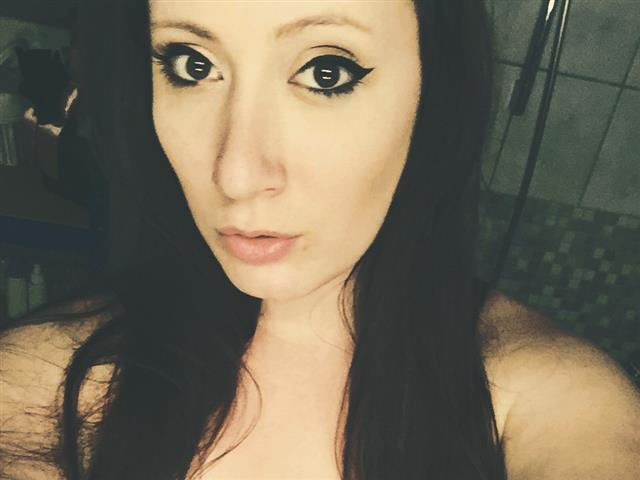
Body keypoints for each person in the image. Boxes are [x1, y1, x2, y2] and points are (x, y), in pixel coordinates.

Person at [1, 1, 639, 479]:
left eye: (326, 72)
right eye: (192, 65)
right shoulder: (41, 383)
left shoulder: (553, 402)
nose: (236, 173)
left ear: (433, 90)